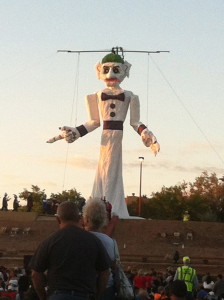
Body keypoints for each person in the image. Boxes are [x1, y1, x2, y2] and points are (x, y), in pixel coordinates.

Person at [47, 50, 160, 218]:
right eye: (106, 69)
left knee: (113, 170)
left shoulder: (130, 96)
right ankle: (99, 206)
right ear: (98, 71)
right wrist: (75, 132)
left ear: (125, 70)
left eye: (116, 69)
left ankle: (111, 208)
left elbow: (134, 122)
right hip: (105, 136)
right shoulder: (96, 96)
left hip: (117, 135)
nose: (110, 74)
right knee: (102, 169)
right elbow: (93, 122)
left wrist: (147, 135)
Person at [30, 201, 111, 300]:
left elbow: (35, 274)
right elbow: (105, 272)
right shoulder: (94, 241)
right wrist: (98, 295)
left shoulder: (49, 241)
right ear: (79, 218)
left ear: (58, 219)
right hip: (84, 295)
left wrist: (43, 297)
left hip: (57, 295)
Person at [82, 198, 116, 300]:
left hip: (85, 287)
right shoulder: (110, 242)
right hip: (107, 288)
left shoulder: (80, 239)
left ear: (86, 219)